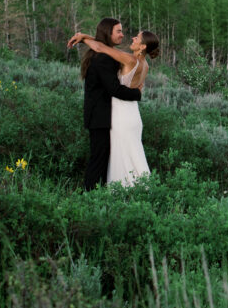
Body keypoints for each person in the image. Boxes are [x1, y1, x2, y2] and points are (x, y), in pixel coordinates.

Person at [68, 25, 160, 187]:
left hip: (121, 115)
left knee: (120, 156)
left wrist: (83, 37)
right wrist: (86, 36)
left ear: (143, 46)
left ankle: (122, 191)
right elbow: (105, 46)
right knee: (133, 154)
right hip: (133, 115)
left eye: (137, 38)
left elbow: (100, 47)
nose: (132, 38)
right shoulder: (144, 65)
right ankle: (141, 189)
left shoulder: (130, 60)